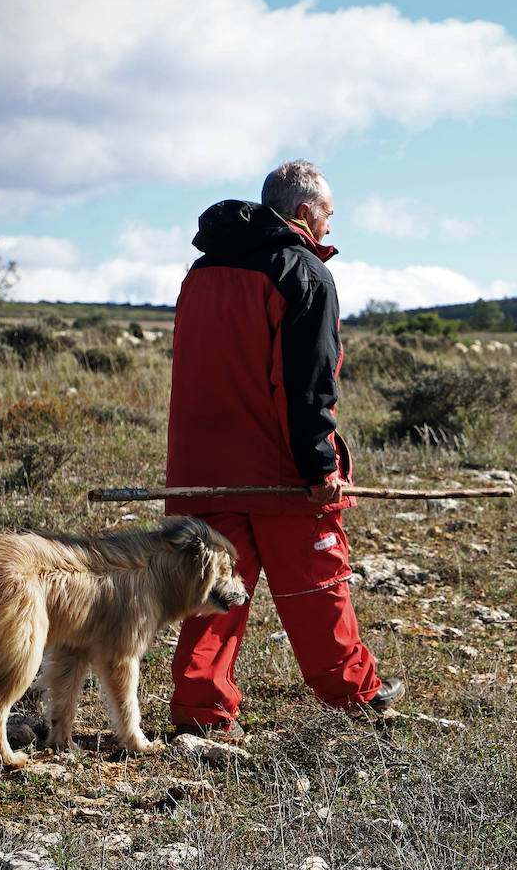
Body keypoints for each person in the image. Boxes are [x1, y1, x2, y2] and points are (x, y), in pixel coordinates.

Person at [164, 159, 404, 737]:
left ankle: (200, 713)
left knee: (211, 593)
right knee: (318, 587)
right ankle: (354, 698)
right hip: (281, 475)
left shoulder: (201, 271)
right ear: (303, 213)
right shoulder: (305, 274)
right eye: (326, 218)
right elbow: (308, 384)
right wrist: (320, 464)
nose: (327, 231)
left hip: (201, 471)